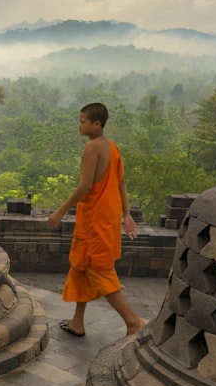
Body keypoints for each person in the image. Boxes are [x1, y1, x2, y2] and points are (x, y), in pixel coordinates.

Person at [47, 102, 146, 337]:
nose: (79, 125)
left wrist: (61, 210)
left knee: (99, 270)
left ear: (96, 124)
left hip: (95, 218)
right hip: (107, 216)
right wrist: (127, 214)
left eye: (83, 121)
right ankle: (77, 322)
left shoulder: (93, 147)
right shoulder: (113, 147)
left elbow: (86, 185)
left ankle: (132, 322)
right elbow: (121, 183)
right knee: (81, 265)